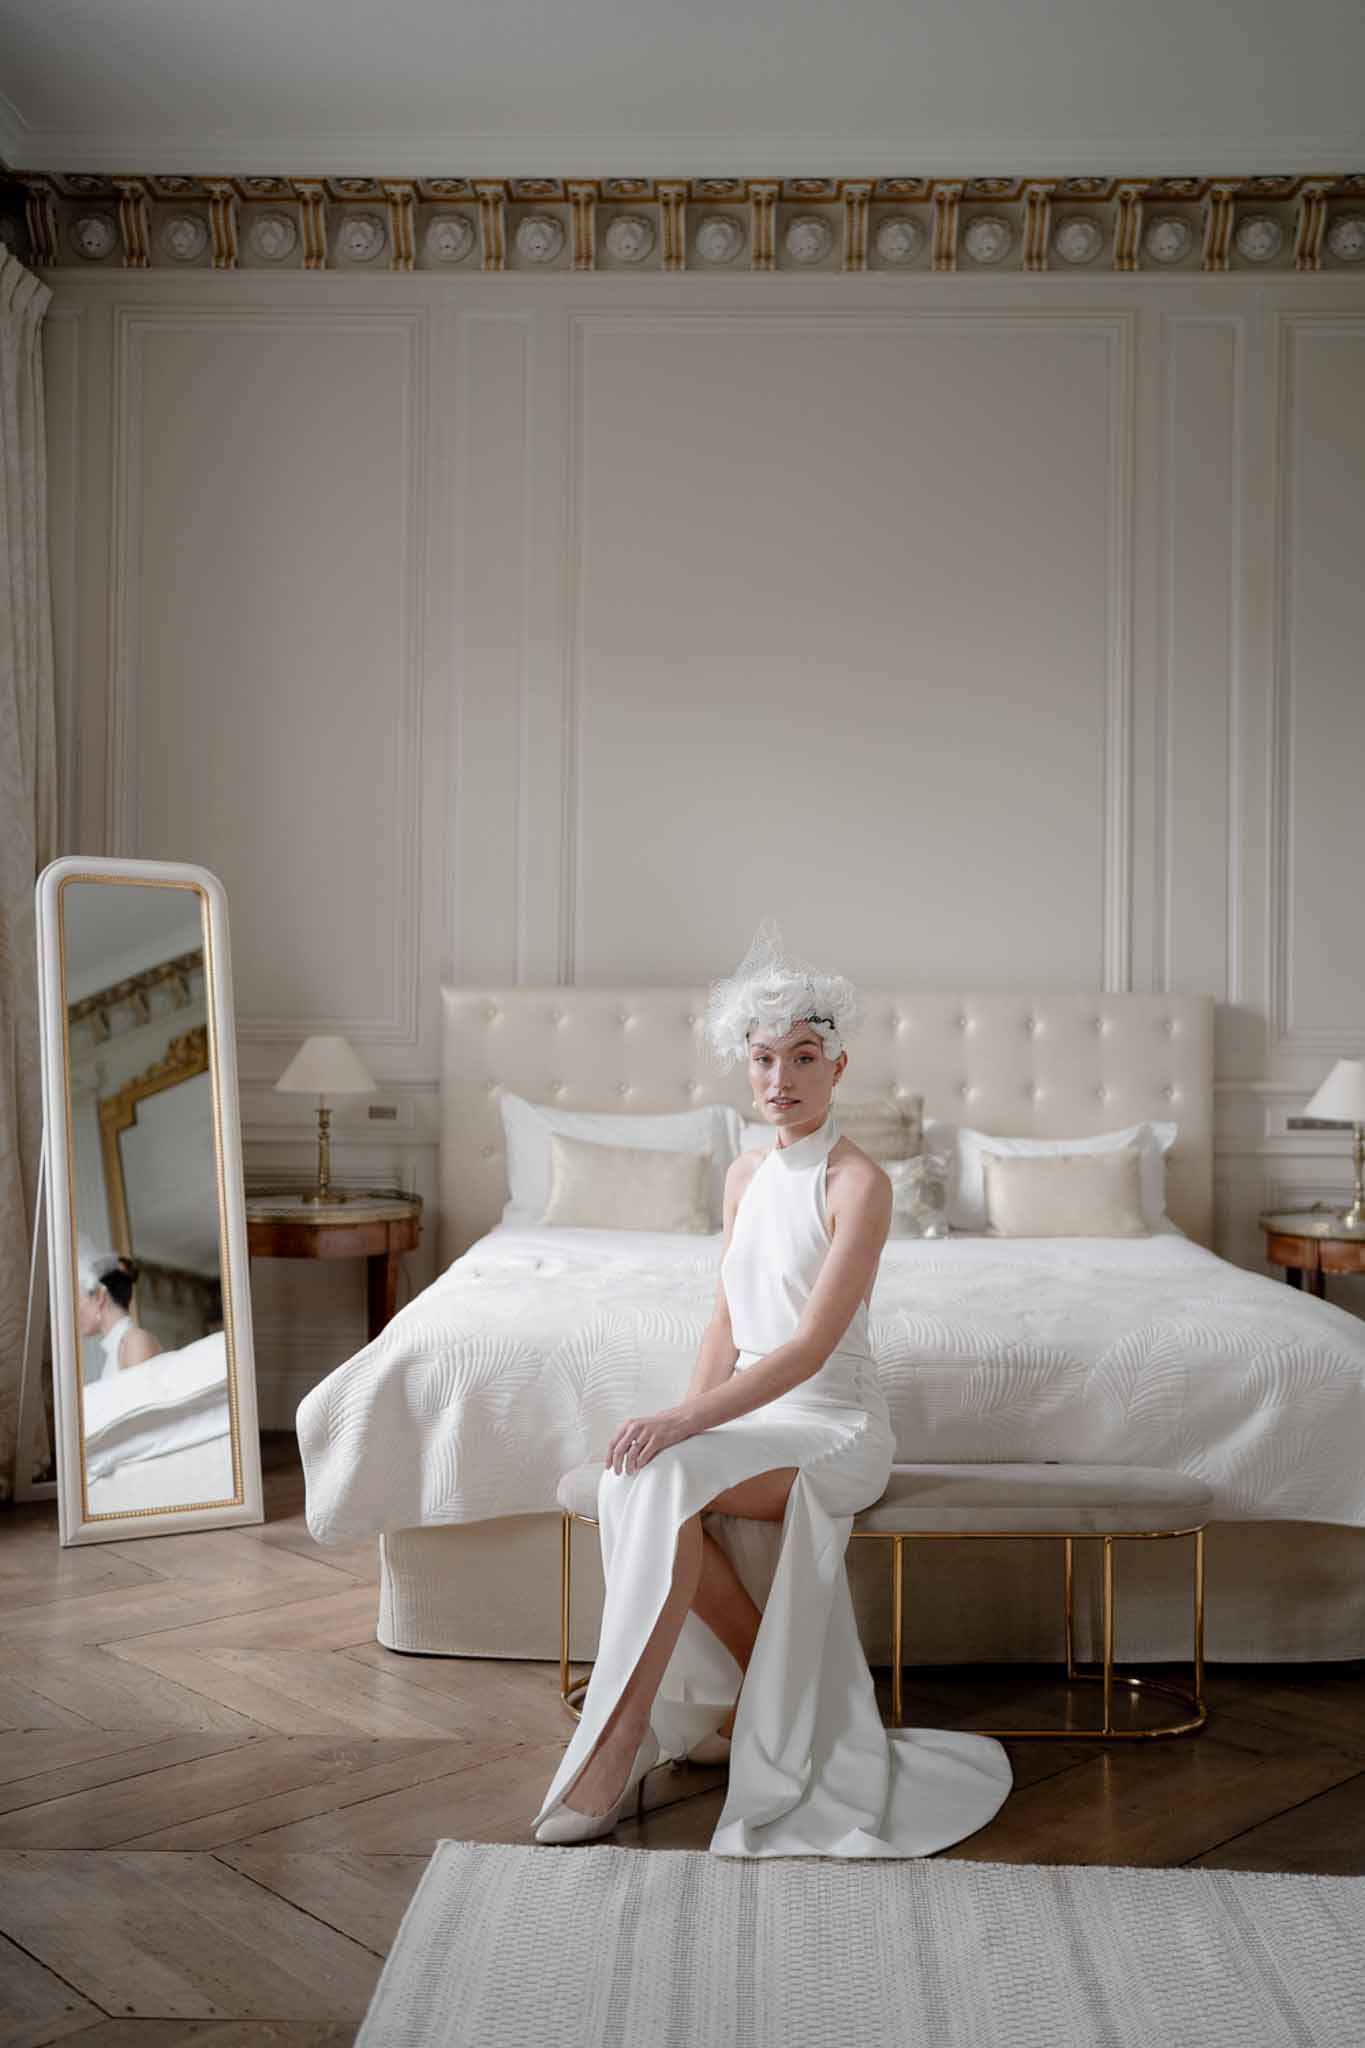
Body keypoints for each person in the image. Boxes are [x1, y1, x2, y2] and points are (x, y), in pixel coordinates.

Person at [531, 917, 1013, 1856]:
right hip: (756, 1415)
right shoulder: (745, 1172)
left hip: (832, 1423)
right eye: (761, 1060)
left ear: (838, 1067)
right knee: (646, 1478)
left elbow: (802, 1351)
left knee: (660, 1472)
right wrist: (685, 1417)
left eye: (802, 1058)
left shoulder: (855, 1183)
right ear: (743, 1067)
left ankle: (617, 1741)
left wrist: (684, 1419)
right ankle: (753, 1687)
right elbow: (725, 1320)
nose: (779, 1080)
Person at [76, 1246, 163, 1379]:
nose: (74, 1312)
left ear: (99, 1296)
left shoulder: (135, 1341)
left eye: (77, 1299)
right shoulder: (116, 1351)